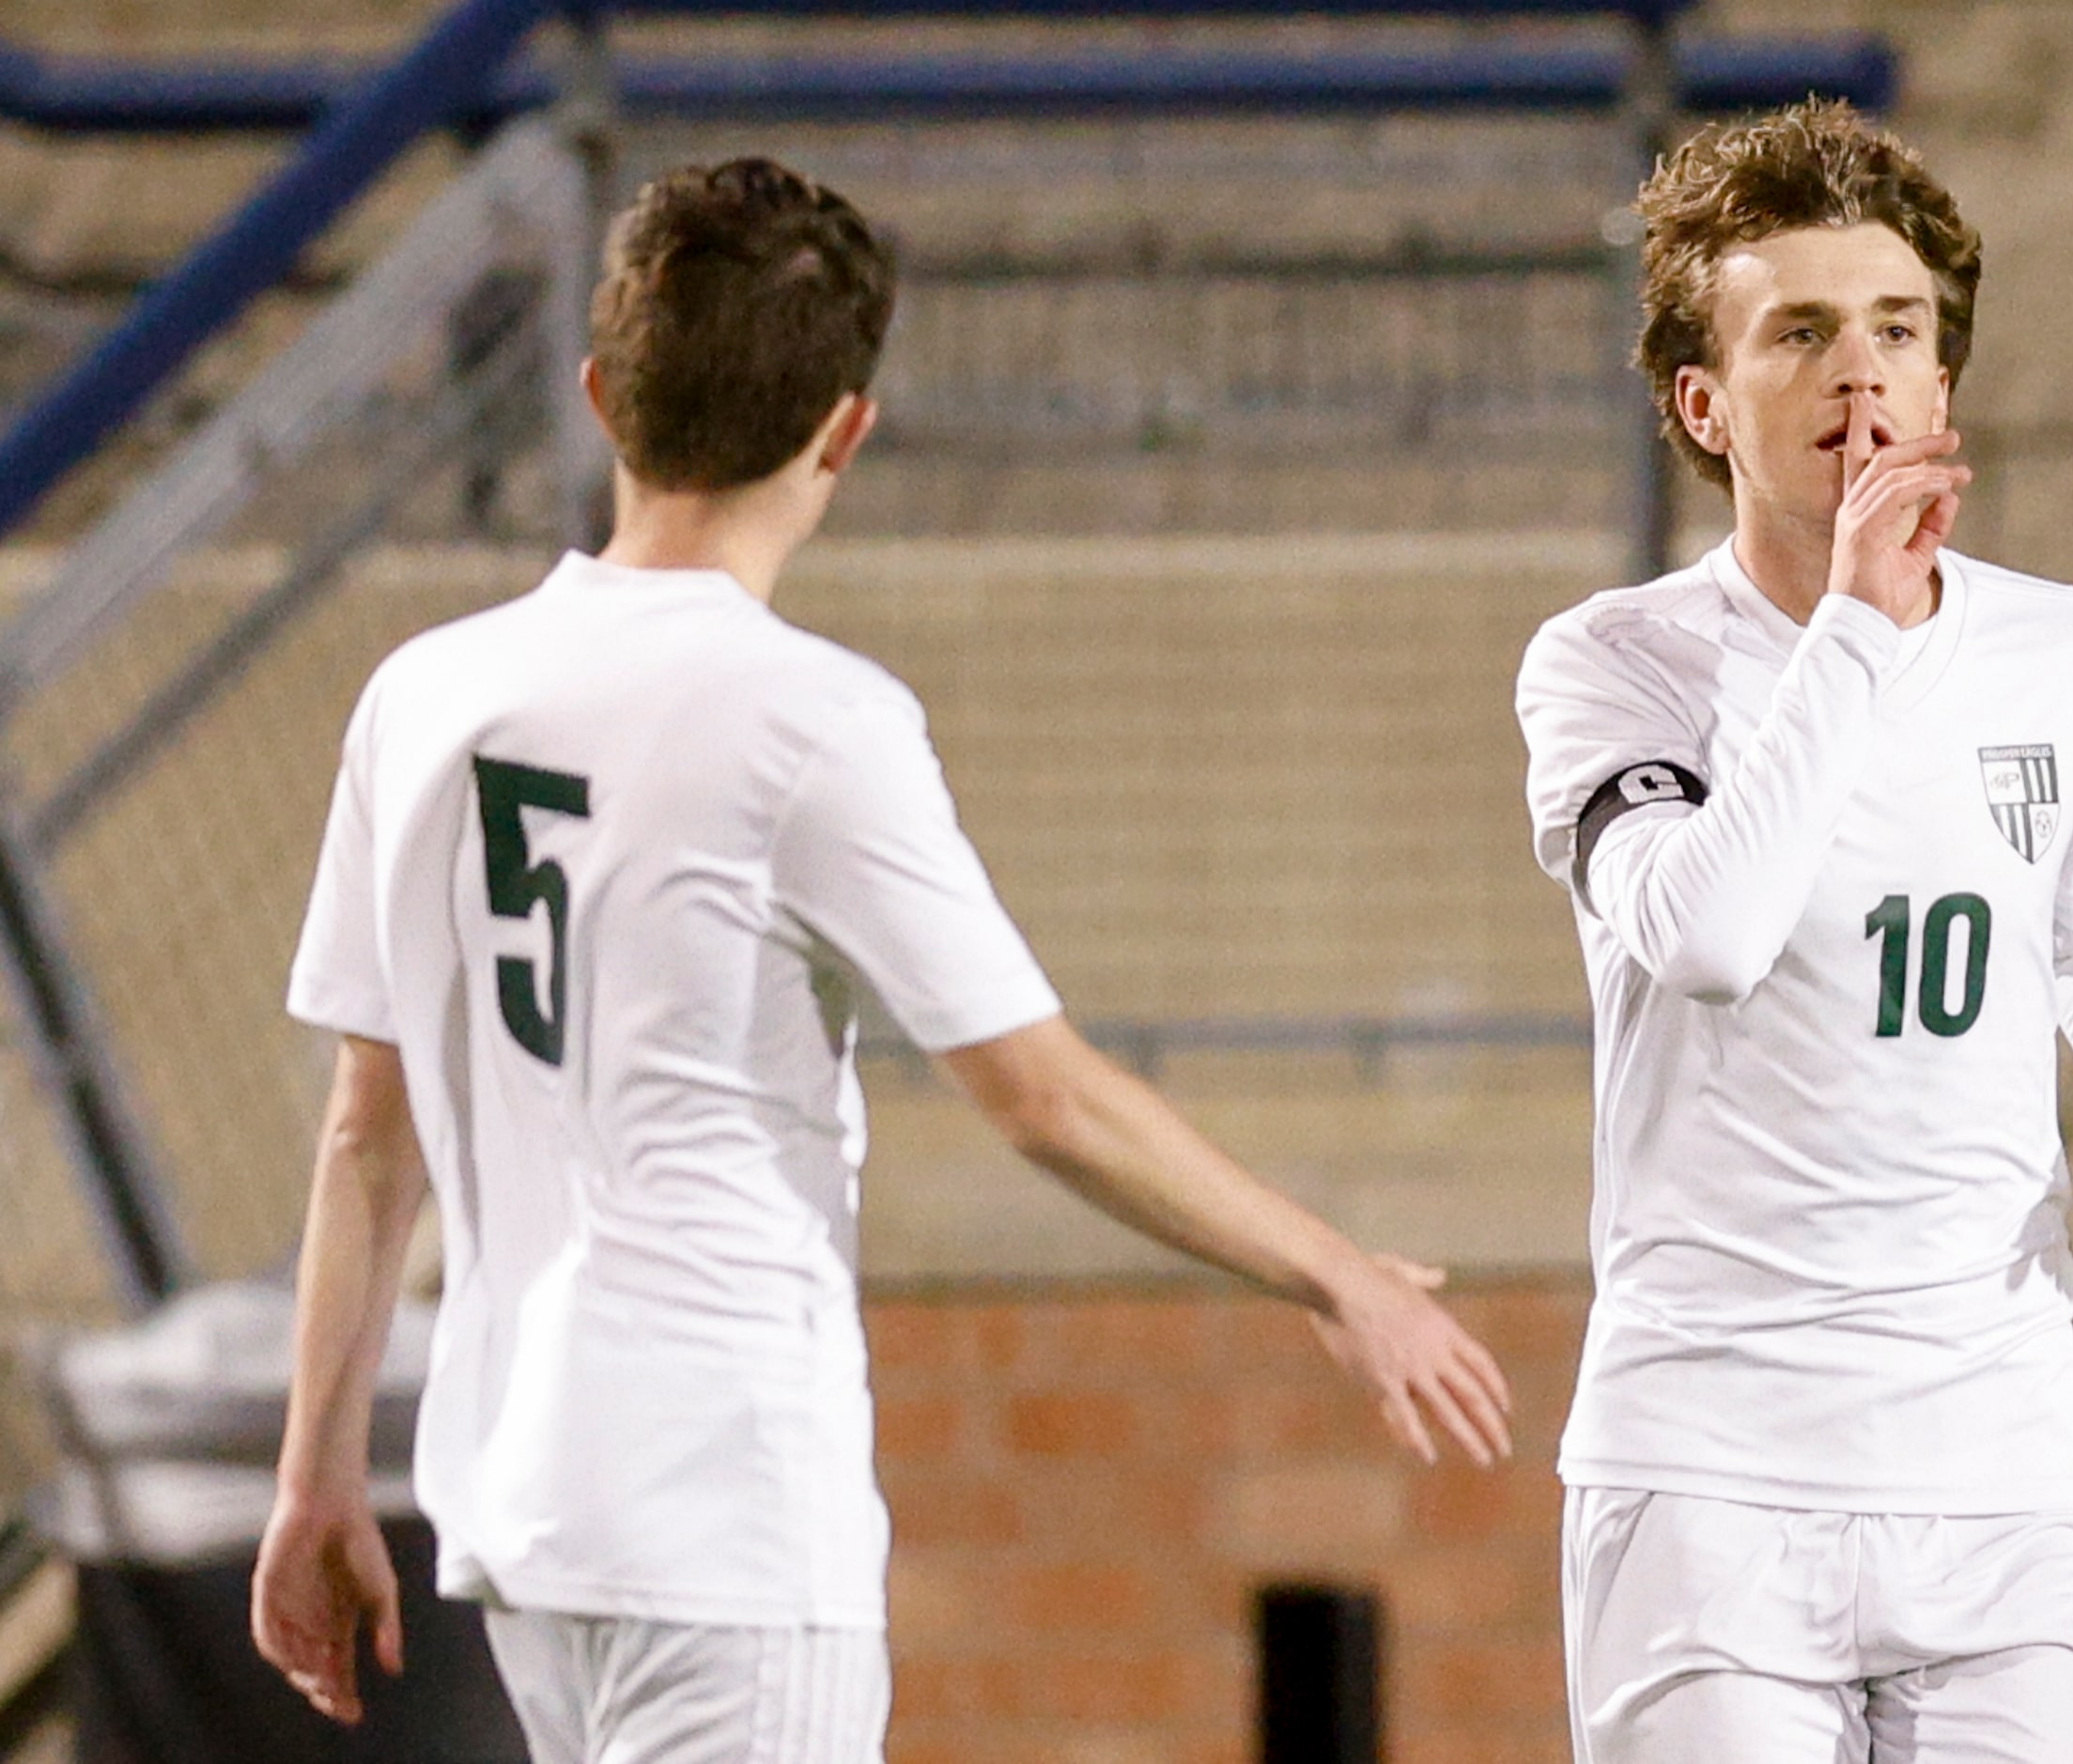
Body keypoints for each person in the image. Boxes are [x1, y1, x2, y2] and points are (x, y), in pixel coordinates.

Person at [252, 157, 1512, 1762]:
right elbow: (1043, 1096)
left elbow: (369, 1130)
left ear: (596, 397)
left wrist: (311, 1475)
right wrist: (1329, 1270)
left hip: (517, 1513)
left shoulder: (421, 696)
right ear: (844, 429)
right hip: (717, 1506)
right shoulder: (809, 723)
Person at [1517, 101, 2073, 1762]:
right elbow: (1703, 932)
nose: (1858, 372)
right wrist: (1851, 623)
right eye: (1800, 332)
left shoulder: (2069, 656)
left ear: (1942, 386)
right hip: (1711, 1472)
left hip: (1991, 1463)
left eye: (1896, 329)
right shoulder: (1610, 666)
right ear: (1702, 404)